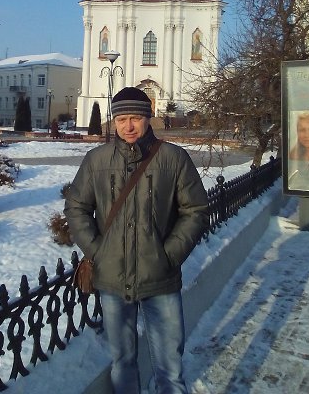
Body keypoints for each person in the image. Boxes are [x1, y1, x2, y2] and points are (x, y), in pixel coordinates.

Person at [64, 87, 209, 393]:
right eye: (121, 119)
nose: (128, 126)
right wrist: (98, 251)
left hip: (160, 278)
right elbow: (76, 208)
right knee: (122, 360)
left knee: (170, 365)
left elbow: (195, 210)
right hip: (113, 278)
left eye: (135, 118)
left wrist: (168, 255)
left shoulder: (172, 159)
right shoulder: (97, 160)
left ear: (148, 118)